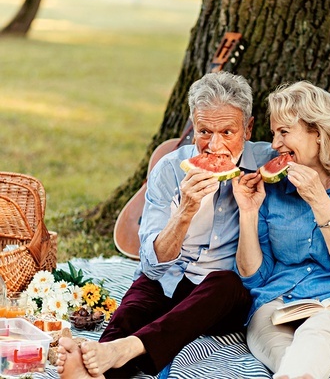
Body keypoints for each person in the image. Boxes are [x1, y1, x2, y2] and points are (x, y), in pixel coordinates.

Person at [56, 71, 276, 379]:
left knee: (224, 284)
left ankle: (124, 350)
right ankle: (96, 368)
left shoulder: (268, 165)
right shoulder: (170, 169)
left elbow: (323, 158)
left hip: (223, 295)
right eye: (203, 132)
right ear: (192, 126)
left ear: (249, 128)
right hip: (169, 278)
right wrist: (185, 211)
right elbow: (153, 265)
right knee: (130, 313)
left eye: (227, 132)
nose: (214, 146)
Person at [232, 81, 330, 379]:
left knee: (320, 328)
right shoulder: (274, 185)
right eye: (273, 133)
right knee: (290, 359)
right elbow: (254, 274)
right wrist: (248, 211)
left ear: (318, 133)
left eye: (284, 132)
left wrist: (319, 200)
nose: (275, 145)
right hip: (279, 304)